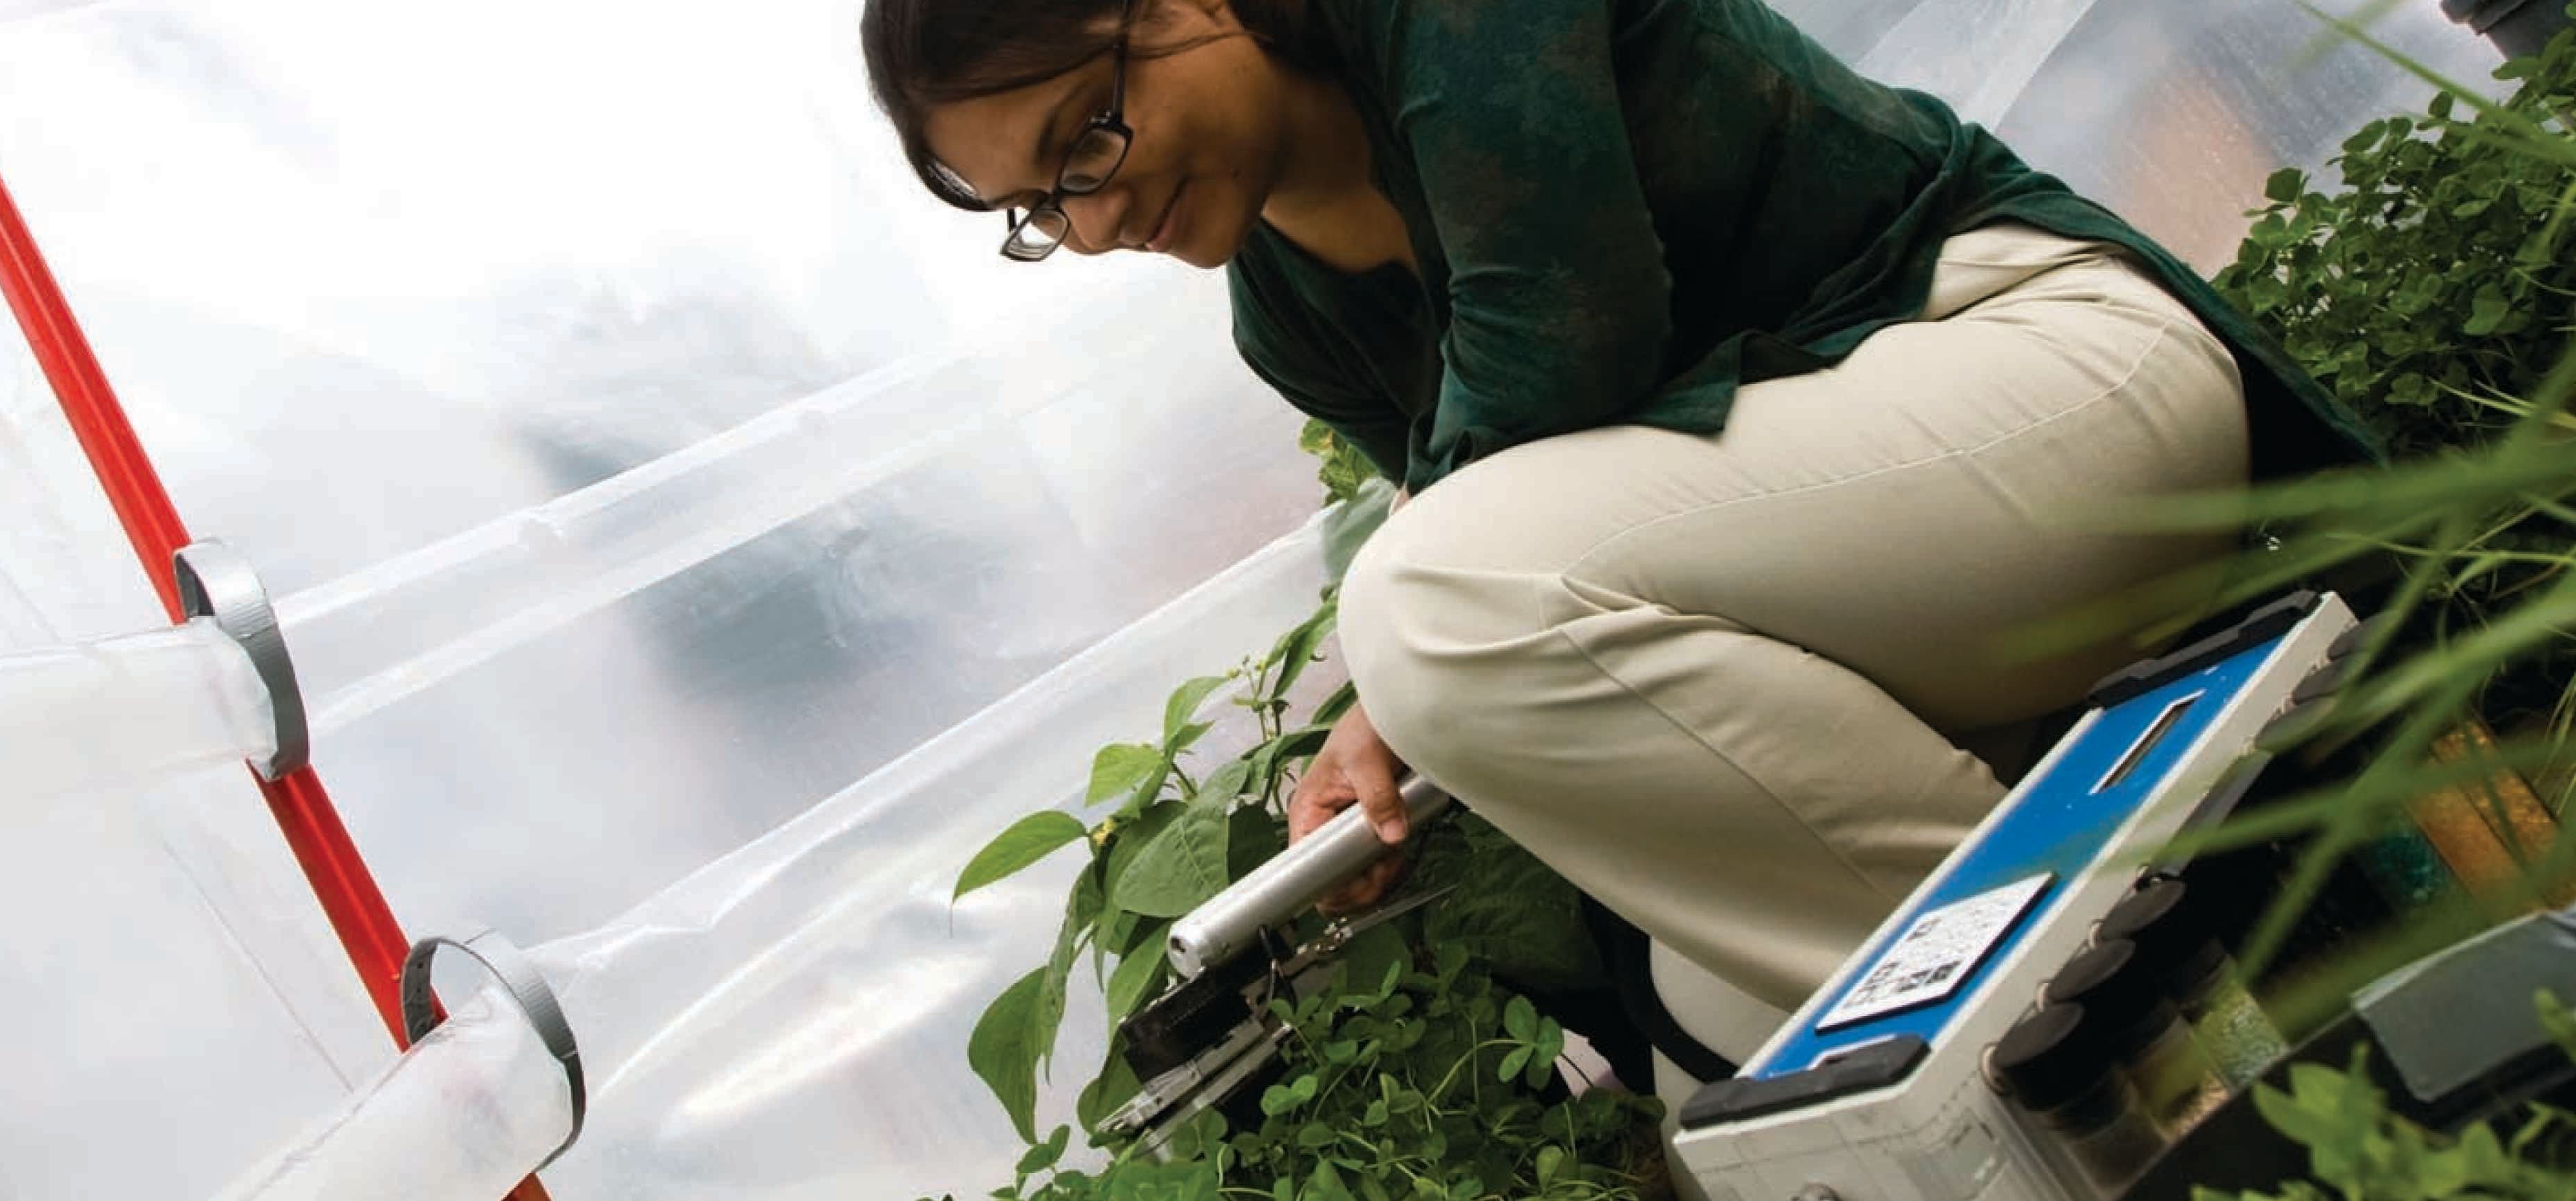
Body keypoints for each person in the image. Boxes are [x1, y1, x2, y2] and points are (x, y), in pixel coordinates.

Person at [860, 0, 2378, 1012]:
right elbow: (1540, 528)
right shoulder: (1288, 314)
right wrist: (1390, 706)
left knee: (1427, 608)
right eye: (1038, 210)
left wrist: (1391, 680)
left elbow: (1560, 334)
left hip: (2042, 385)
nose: (1098, 218)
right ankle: (2184, 1015)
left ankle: (2145, 1007)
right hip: (1899, 577)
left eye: (1084, 139)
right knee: (1708, 999)